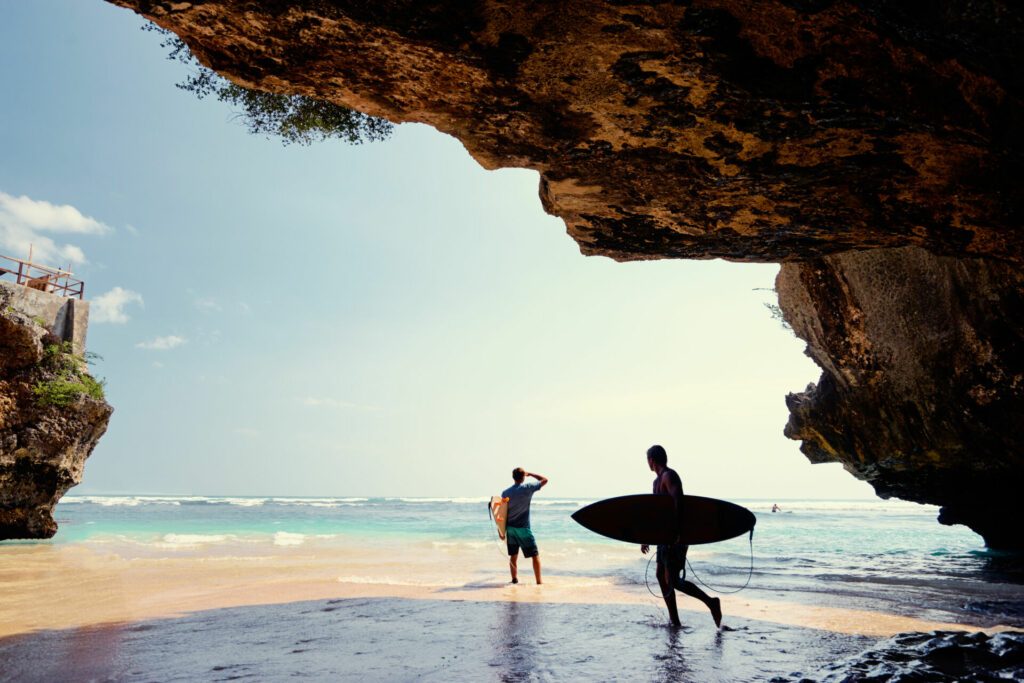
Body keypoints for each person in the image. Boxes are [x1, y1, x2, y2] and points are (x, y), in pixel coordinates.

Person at [641, 444, 722, 628]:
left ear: (652, 460)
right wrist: (647, 536)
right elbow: (657, 514)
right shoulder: (656, 483)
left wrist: (677, 533)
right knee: (661, 576)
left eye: (648, 460)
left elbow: (679, 502)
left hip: (676, 537)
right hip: (664, 538)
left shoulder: (670, 476)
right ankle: (674, 620)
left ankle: (711, 603)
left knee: (674, 581)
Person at [501, 467, 548, 584]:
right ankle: (539, 582)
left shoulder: (505, 493)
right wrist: (530, 474)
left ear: (513, 477)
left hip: (510, 529)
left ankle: (514, 579)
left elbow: (502, 513)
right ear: (523, 477)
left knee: (513, 556)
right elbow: (545, 480)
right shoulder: (528, 488)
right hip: (524, 529)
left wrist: (501, 531)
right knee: (535, 555)